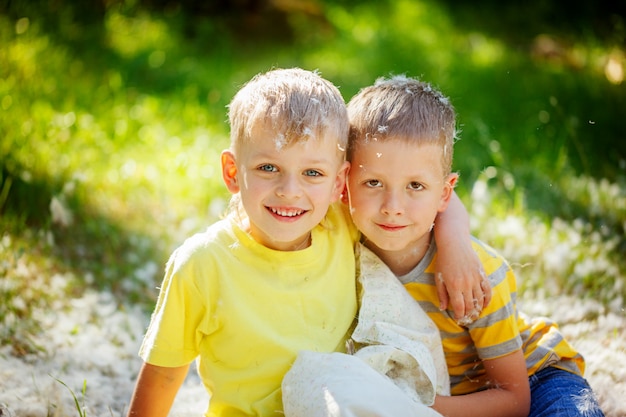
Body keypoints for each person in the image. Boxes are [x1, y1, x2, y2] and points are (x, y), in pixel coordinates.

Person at [125, 68, 486, 417]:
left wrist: (455, 242)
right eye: (268, 168)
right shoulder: (202, 264)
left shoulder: (340, 224)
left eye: (312, 173)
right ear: (233, 172)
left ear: (338, 183)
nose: (289, 192)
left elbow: (425, 188)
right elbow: (164, 372)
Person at [342, 74, 605, 417]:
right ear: (344, 184)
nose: (393, 205)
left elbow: (513, 399)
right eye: (373, 182)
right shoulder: (343, 239)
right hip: (444, 392)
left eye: (415, 186)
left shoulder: (475, 277)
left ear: (444, 193)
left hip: (534, 378)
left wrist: (421, 408)